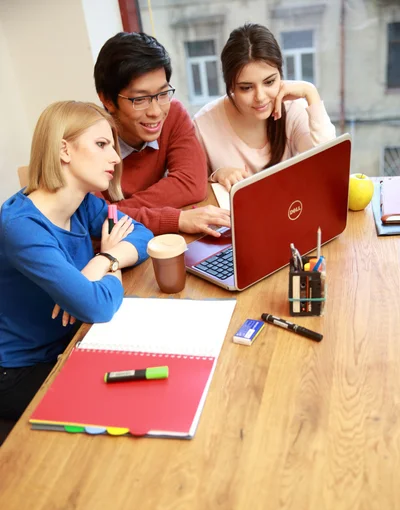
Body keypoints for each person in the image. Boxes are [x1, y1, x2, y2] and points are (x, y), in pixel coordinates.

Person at [0, 101, 153, 423]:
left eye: (112, 145)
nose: (115, 157)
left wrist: (102, 261)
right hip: (21, 371)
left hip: (76, 340)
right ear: (63, 150)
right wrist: (110, 269)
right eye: (101, 144)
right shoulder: (20, 227)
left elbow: (141, 234)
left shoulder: (86, 204)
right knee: (127, 405)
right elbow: (94, 306)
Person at [94, 32, 230, 238]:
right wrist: (174, 219)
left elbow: (191, 184)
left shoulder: (173, 113)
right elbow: (92, 223)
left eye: (163, 93)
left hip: (150, 239)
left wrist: (115, 210)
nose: (156, 112)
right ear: (107, 100)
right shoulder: (88, 140)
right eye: (140, 99)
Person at [193, 23, 336, 191]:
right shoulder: (203, 125)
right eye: (246, 87)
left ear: (280, 75)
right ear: (231, 86)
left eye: (269, 82)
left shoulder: (293, 108)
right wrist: (216, 176)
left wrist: (310, 93)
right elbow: (192, 195)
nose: (260, 97)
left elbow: (329, 168)